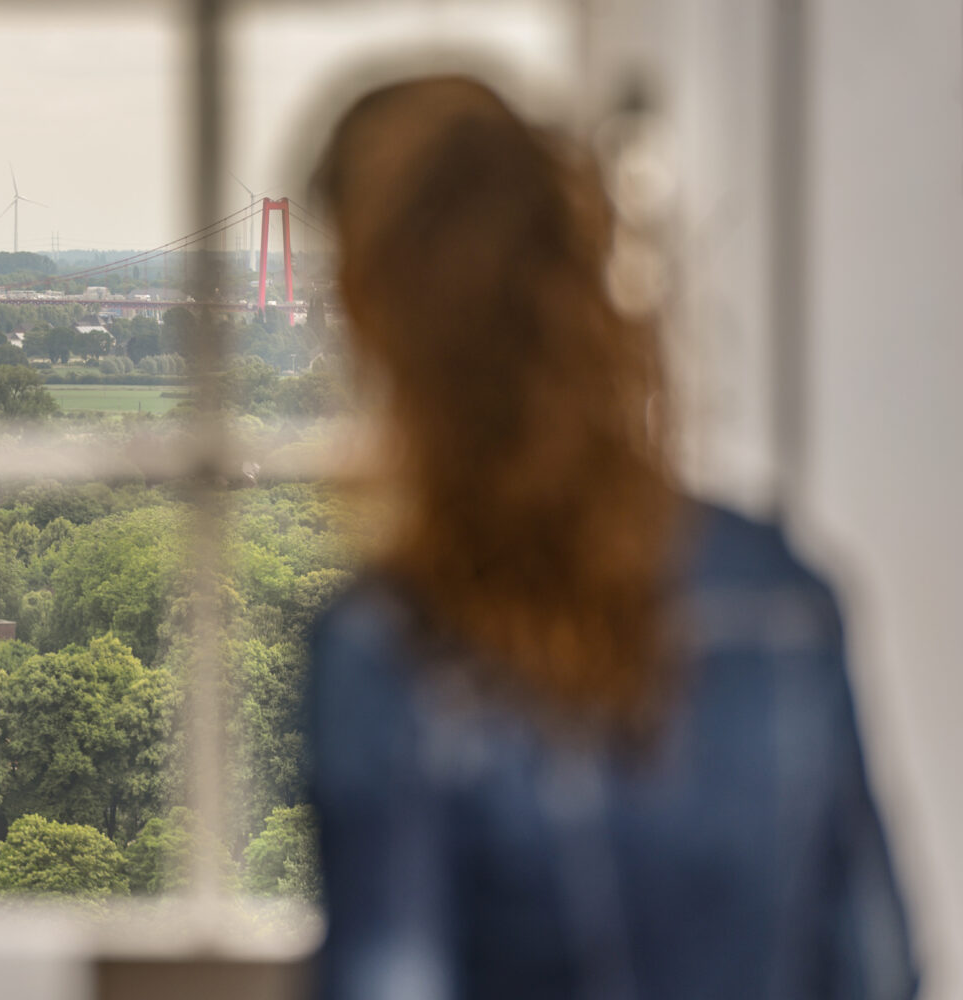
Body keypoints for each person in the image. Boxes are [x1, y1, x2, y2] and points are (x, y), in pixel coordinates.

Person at [304, 76, 916, 1000]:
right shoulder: (786, 599)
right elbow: (877, 970)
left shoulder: (389, 648)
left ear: (373, 319)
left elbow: (386, 980)